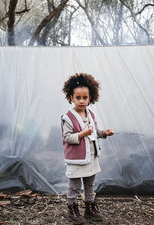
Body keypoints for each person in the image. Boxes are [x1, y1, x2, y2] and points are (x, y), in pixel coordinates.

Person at [61, 73, 114, 224]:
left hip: (90, 156)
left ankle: (90, 207)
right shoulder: (68, 118)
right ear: (71, 97)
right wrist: (83, 133)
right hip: (77, 158)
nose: (82, 101)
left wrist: (104, 133)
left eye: (85, 98)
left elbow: (95, 131)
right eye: (78, 98)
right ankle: (72, 207)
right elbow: (67, 137)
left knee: (90, 184)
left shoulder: (91, 114)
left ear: (90, 98)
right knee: (75, 186)